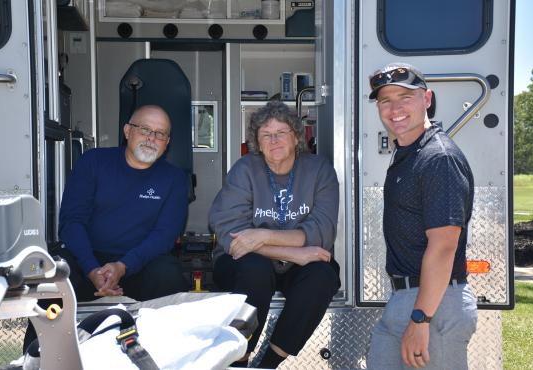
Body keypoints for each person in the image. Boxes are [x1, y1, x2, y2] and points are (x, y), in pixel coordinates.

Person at [24, 105, 189, 349]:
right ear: (127, 131)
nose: (151, 138)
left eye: (160, 133)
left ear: (167, 142)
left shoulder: (174, 178)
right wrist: (92, 269)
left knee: (168, 274)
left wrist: (123, 266)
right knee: (54, 275)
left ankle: (162, 355)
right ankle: (38, 356)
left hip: (138, 265)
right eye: (145, 129)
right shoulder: (94, 162)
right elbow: (71, 221)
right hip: (86, 261)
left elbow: (165, 235)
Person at [209, 101, 341, 369]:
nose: (274, 140)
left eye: (281, 132)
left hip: (290, 265)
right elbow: (232, 235)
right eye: (266, 135)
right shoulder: (245, 169)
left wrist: (262, 235)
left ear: (296, 137)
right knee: (254, 271)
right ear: (257, 142)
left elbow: (322, 231)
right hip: (245, 263)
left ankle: (268, 363)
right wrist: (294, 252)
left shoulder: (320, 170)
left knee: (323, 275)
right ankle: (239, 361)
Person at [366, 63, 478, 369]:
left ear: (426, 99)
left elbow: (443, 245)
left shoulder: (438, 158)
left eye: (405, 97)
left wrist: (421, 318)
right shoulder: (409, 153)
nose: (395, 108)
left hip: (434, 305)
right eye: (385, 100)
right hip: (407, 298)